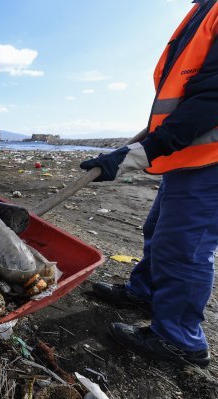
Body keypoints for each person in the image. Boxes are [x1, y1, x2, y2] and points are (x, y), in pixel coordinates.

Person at [80, 0, 218, 368]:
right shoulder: (205, 9)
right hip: (188, 156)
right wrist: (130, 149)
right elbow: (182, 99)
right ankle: (146, 294)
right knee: (158, 230)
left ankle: (179, 339)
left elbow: (212, 99)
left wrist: (141, 154)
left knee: (184, 248)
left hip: (211, 162)